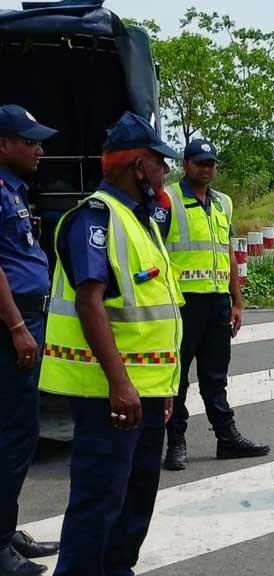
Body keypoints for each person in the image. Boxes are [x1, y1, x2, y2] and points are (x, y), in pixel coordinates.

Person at [39, 112, 184, 575]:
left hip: (146, 391)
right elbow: (89, 304)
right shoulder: (94, 219)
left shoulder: (140, 220)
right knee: (99, 503)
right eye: (160, 163)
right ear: (139, 166)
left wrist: (160, 390)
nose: (166, 172)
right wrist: (121, 384)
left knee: (135, 501)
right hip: (110, 396)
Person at [158, 138, 269, 471]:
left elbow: (228, 255)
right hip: (181, 304)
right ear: (185, 165)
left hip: (218, 302)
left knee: (215, 376)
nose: (206, 169)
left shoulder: (223, 204)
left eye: (210, 164)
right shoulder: (167, 201)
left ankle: (226, 437)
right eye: (199, 163)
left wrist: (237, 301)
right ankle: (176, 442)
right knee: (176, 378)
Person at [0, 104, 59, 576]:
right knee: (13, 435)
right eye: (30, 141)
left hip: (25, 321)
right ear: (3, 143)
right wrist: (18, 327)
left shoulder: (14, 191)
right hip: (9, 328)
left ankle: (7, 529)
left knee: (20, 433)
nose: (39, 149)